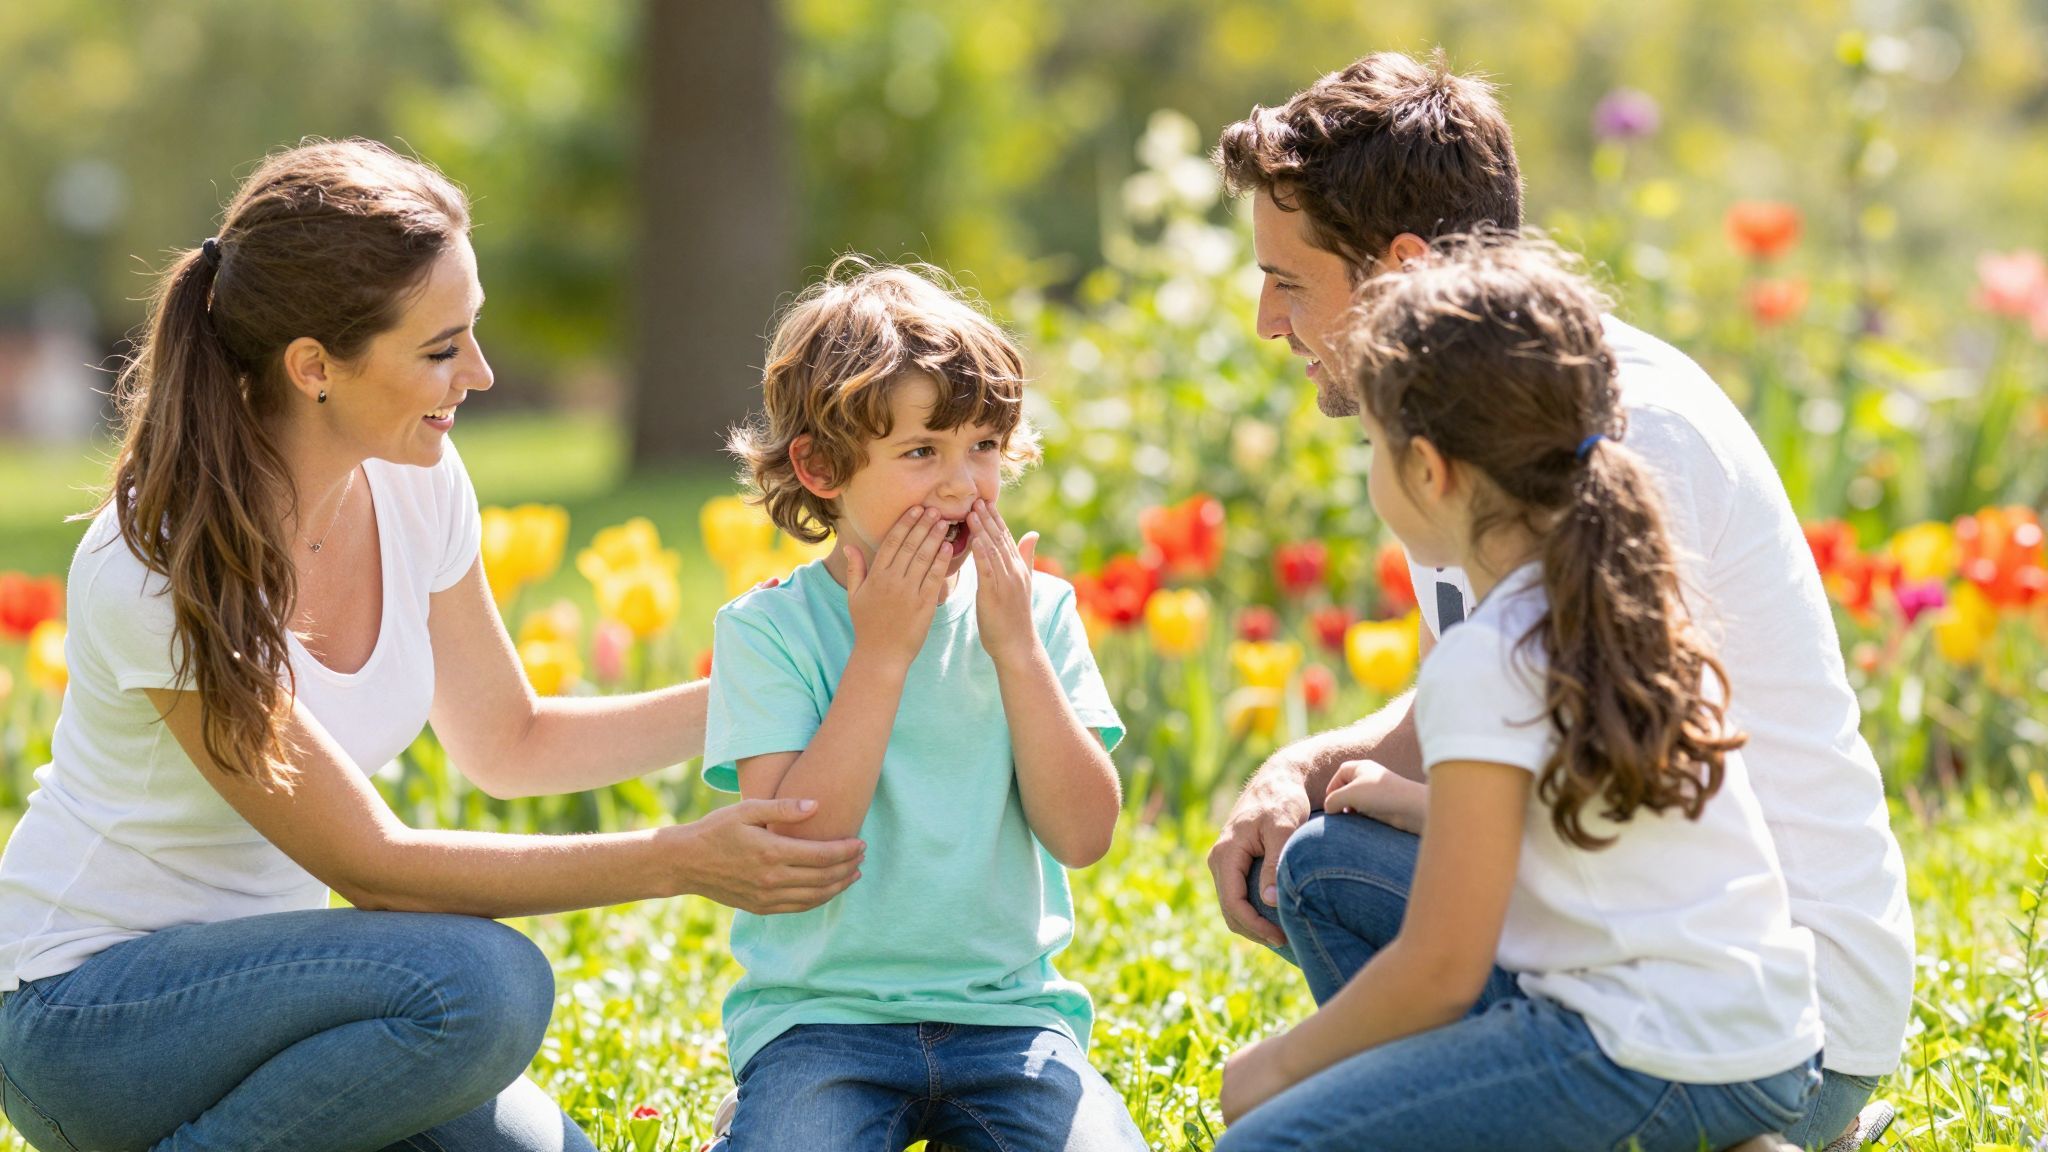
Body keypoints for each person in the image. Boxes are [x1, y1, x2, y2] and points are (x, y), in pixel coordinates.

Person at [0, 138, 864, 1152]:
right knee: (486, 987)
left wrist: (797, 682)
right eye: (441, 348)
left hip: (295, 1008)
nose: (483, 374)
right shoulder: (154, 563)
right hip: (86, 1020)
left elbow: (512, 740)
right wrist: (681, 859)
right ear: (314, 366)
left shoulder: (415, 481)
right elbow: (379, 871)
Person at [1206, 51, 1912, 1150]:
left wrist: (1284, 1073)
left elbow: (1570, 751)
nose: (1266, 322)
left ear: (1397, 269)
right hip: (1660, 959)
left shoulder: (1612, 435)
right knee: (1324, 864)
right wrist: (1300, 768)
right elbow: (1515, 692)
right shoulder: (1496, 415)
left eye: (1287, 281)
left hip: (1764, 1016)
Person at [699, 259, 1146, 1151]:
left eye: (982, 447)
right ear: (821, 467)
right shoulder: (769, 630)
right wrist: (883, 653)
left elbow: (1084, 835)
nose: (961, 485)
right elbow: (797, 849)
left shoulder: (1038, 612)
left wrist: (1017, 649)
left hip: (1012, 1024)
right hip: (822, 1023)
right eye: (921, 453)